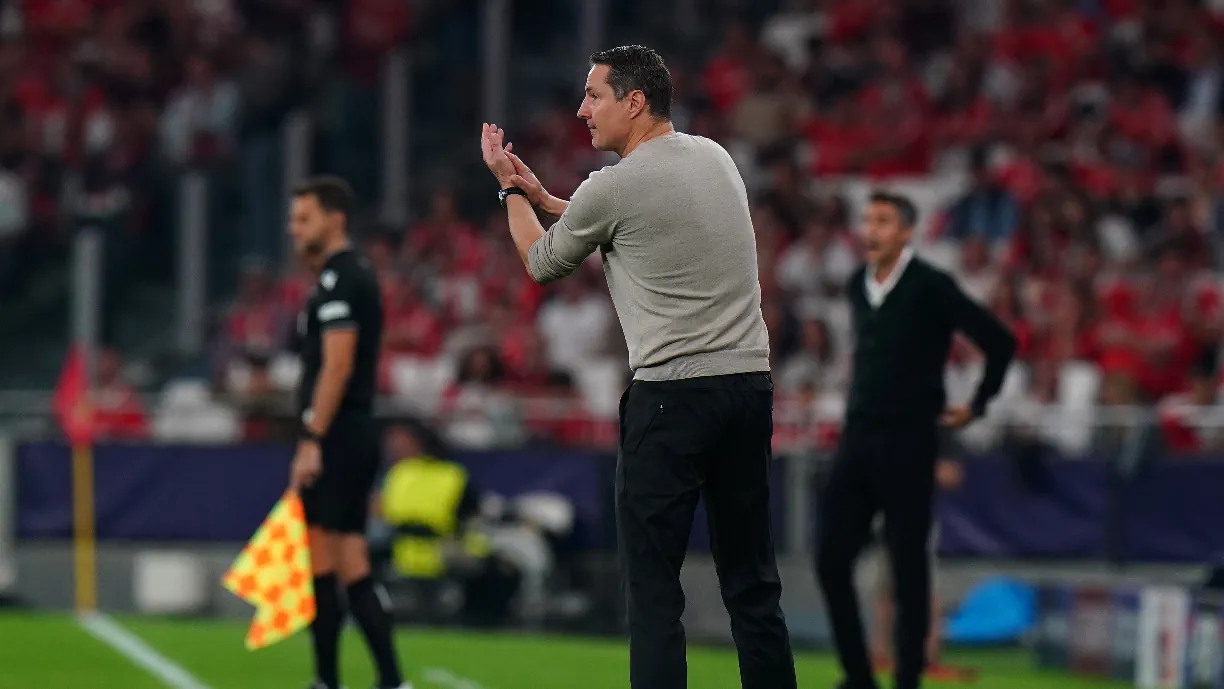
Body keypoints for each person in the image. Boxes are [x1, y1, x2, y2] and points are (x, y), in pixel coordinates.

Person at [480, 45, 797, 689]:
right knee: (752, 584)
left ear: (634, 101)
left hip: (671, 400)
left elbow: (543, 263)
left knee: (654, 594)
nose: (581, 109)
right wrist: (547, 196)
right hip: (747, 390)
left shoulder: (616, 185)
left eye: (594, 95)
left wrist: (511, 189)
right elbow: (635, 227)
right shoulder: (716, 158)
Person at [815, 191, 1016, 689]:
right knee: (830, 558)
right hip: (859, 436)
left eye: (883, 221)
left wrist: (978, 403)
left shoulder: (931, 285)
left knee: (908, 570)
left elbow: (999, 341)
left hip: (910, 440)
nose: (871, 230)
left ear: (907, 232)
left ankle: (907, 679)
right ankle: (859, 673)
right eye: (867, 220)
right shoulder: (857, 286)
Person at [286, 176, 409, 689]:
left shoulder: (341, 278)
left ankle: (340, 679)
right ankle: (374, 680)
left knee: (330, 561)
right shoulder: (341, 277)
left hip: (338, 436)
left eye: (304, 219)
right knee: (346, 563)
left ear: (335, 219)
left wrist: (312, 438)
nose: (295, 230)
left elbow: (337, 368)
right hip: (347, 433)